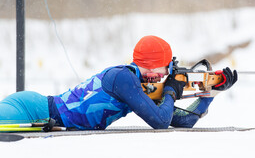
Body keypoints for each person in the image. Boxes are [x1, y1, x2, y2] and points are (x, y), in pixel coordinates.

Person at [0, 35, 237, 130]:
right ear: (155, 65)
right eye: (166, 69)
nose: (165, 74)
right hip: (30, 110)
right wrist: (173, 90)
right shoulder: (124, 79)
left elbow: (181, 122)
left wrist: (209, 94)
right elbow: (160, 121)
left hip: (40, 115)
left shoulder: (138, 87)